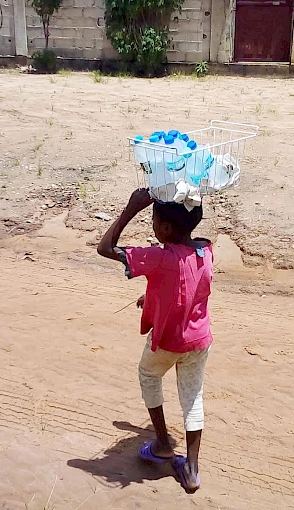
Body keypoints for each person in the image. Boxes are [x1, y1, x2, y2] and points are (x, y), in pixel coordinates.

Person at [97, 188, 213, 494]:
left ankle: (162, 443)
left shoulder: (158, 257)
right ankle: (192, 469)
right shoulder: (205, 250)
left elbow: (105, 247)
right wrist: (150, 295)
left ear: (162, 228)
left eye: (153, 219)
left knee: (149, 375)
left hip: (169, 341)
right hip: (200, 339)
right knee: (193, 397)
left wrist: (130, 208)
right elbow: (185, 286)